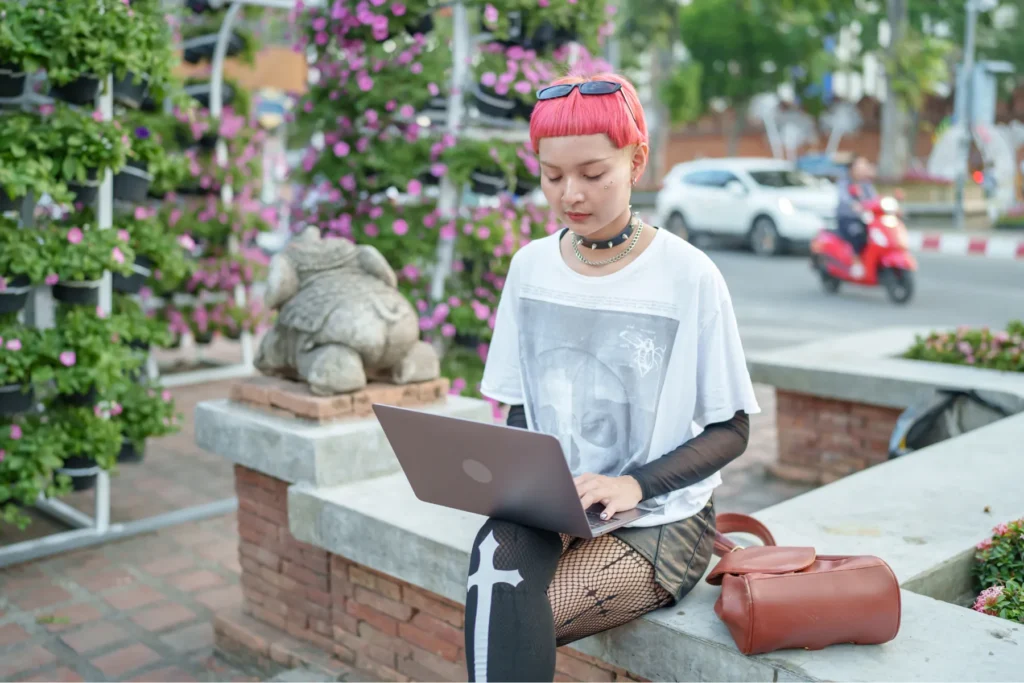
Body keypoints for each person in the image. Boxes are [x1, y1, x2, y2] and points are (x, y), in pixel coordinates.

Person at [466, 72, 760, 682]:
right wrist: (527, 483)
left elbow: (731, 428)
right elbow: (523, 409)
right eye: (552, 176)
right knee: (493, 580)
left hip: (661, 519)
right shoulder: (530, 268)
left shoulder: (688, 275)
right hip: (556, 503)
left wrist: (633, 485)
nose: (570, 193)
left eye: (593, 174)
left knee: (516, 614)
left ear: (637, 161)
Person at [836, 154, 878, 277]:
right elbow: (843, 197)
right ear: (852, 169)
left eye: (864, 167)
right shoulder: (844, 182)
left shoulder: (866, 184)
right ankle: (856, 261)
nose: (863, 169)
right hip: (847, 218)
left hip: (864, 218)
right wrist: (853, 204)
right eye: (860, 167)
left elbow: (874, 198)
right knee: (857, 233)